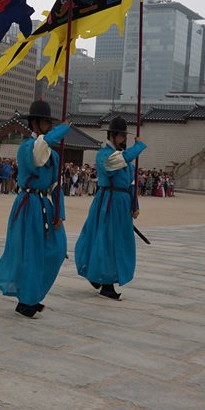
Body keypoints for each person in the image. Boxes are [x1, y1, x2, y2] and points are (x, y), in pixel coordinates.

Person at [0, 101, 70, 319]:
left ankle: (32, 294)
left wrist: (60, 212)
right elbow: (39, 153)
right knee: (30, 253)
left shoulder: (54, 155)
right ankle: (27, 301)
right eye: (46, 122)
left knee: (57, 250)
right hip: (28, 204)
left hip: (45, 205)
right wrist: (62, 130)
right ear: (35, 123)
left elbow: (56, 185)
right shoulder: (27, 147)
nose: (49, 126)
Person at [75, 116, 147, 300]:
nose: (124, 139)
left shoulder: (125, 159)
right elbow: (119, 161)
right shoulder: (104, 155)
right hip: (108, 202)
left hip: (122, 204)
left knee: (119, 242)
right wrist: (139, 146)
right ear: (112, 135)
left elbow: (131, 184)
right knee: (106, 241)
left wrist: (134, 204)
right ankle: (106, 284)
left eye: (125, 136)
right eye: (122, 136)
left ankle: (99, 276)